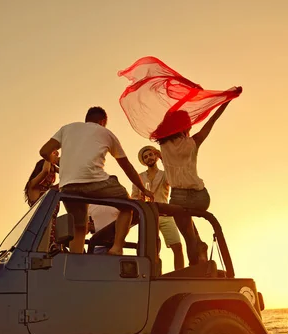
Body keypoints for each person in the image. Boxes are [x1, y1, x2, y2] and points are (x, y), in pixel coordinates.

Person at [39, 106, 154, 255]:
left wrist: (55, 159)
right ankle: (117, 247)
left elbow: (43, 151)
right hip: (95, 183)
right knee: (128, 206)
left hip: (68, 187)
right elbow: (126, 166)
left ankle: (76, 259)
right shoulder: (105, 132)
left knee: (79, 225)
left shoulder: (67, 129)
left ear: (87, 118)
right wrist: (143, 189)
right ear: (103, 121)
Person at [153, 100, 234, 266]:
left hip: (178, 198)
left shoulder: (163, 143)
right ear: (185, 126)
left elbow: (168, 116)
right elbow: (212, 121)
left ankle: (195, 262)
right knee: (190, 228)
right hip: (200, 198)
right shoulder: (193, 142)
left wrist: (182, 100)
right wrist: (226, 101)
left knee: (188, 237)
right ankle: (201, 248)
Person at [132, 145, 185, 270]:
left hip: (165, 214)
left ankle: (180, 274)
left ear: (155, 157)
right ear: (143, 161)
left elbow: (174, 174)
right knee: (153, 249)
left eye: (151, 155)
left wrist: (163, 157)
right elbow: (134, 197)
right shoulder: (139, 177)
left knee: (177, 246)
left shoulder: (165, 174)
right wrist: (139, 199)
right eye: (145, 157)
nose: (149, 158)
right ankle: (156, 275)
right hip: (148, 216)